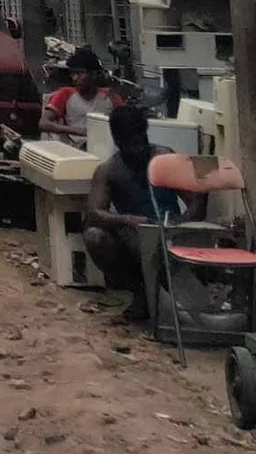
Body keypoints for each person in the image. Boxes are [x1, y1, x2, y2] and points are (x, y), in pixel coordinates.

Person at [80, 104, 179, 322]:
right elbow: (94, 213)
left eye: (141, 141)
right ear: (118, 142)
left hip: (171, 235)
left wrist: (181, 225)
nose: (138, 150)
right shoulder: (109, 170)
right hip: (136, 237)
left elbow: (196, 199)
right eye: (131, 144)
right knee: (95, 236)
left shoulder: (164, 158)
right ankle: (140, 292)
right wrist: (126, 219)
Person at [43, 47, 125, 143]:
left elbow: (126, 121)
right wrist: (77, 131)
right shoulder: (65, 94)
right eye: (73, 73)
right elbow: (44, 123)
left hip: (105, 146)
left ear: (93, 74)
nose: (75, 78)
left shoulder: (110, 96)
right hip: (75, 147)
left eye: (80, 73)